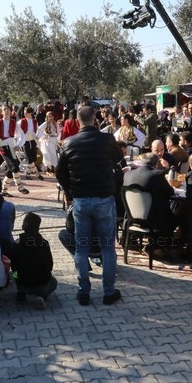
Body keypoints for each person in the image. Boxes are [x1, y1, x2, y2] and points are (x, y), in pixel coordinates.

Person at [56, 106, 123, 306]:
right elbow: (118, 159)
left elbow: (60, 173)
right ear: (95, 120)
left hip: (81, 200)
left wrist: (70, 192)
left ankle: (83, 291)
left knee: (81, 248)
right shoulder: (107, 139)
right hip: (103, 198)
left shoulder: (69, 142)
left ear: (77, 121)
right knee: (108, 247)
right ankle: (108, 292)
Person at [11, 212, 58, 310]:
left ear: (25, 225)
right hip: (41, 282)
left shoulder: (17, 243)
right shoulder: (44, 243)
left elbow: (14, 265)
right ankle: (42, 296)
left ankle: (21, 293)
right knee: (54, 282)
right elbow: (50, 265)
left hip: (23, 282)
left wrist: (16, 276)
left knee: (14, 273)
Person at [123, 152, 177, 236]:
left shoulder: (128, 174)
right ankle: (166, 241)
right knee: (178, 210)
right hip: (154, 219)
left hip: (131, 216)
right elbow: (170, 192)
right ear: (156, 163)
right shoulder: (157, 174)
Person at [0, 105, 29, 195]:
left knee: (10, 168)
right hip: (2, 146)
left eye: (8, 109)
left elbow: (21, 135)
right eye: (4, 109)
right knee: (14, 165)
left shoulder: (14, 122)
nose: (7, 111)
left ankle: (3, 190)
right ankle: (20, 186)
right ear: (1, 112)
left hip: (11, 145)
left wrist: (19, 145)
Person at [19, 107, 43, 180]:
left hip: (32, 141)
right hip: (25, 141)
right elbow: (17, 130)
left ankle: (28, 173)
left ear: (30, 113)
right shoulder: (21, 121)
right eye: (24, 112)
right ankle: (37, 174)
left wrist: (38, 137)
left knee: (33, 158)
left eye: (26, 112)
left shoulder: (34, 121)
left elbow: (38, 130)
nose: (25, 114)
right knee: (29, 158)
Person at [37, 111, 60, 175]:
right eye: (49, 116)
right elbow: (38, 129)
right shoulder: (46, 123)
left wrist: (57, 139)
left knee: (53, 155)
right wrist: (44, 135)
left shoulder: (55, 124)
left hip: (53, 141)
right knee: (47, 155)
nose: (51, 118)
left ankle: (53, 169)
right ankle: (48, 169)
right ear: (47, 117)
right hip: (46, 141)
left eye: (51, 116)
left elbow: (59, 132)